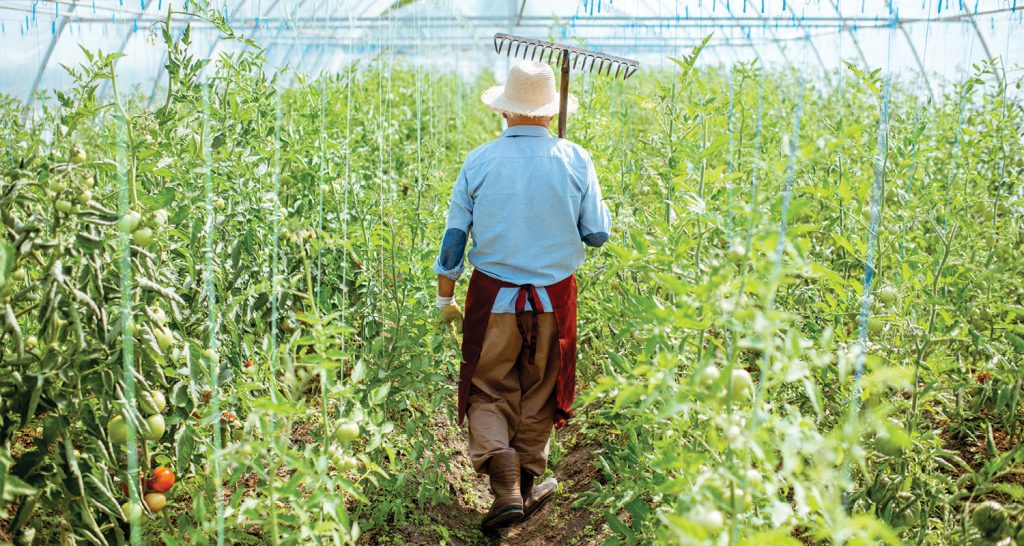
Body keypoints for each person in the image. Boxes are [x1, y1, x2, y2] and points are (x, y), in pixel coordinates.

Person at [431, 60, 612, 530]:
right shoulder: (575, 158)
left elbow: (454, 239)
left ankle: (505, 482)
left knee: (488, 388)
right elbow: (596, 234)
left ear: (506, 114)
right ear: (551, 115)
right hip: (554, 300)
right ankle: (525, 485)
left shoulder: (481, 160)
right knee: (540, 390)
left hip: (494, 299)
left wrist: (444, 298)